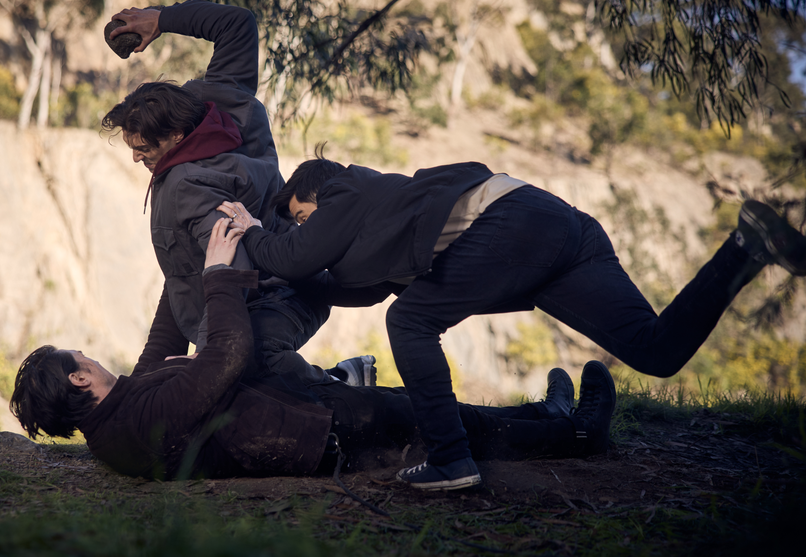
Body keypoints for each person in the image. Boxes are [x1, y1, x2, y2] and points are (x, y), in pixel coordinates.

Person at [219, 153, 806, 491]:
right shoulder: (387, 219)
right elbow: (349, 287)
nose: (303, 229)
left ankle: (451, 459)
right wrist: (276, 274)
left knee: (411, 323)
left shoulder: (347, 189)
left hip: (509, 226)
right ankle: (744, 248)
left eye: (301, 217)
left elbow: (293, 256)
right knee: (655, 352)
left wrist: (250, 230)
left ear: (316, 193)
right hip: (559, 229)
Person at [10, 218, 617, 486]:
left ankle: (546, 415)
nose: (89, 356)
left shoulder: (119, 421)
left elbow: (159, 350)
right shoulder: (137, 424)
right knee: (441, 424)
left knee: (430, 410)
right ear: (80, 380)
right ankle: (579, 435)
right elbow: (225, 356)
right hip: (319, 435)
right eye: (80, 359)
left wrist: (185, 275)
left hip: (302, 417)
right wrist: (220, 276)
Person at [103, 1, 370, 385]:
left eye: (143, 149)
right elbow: (238, 23)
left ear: (176, 138)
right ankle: (342, 380)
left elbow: (231, 271)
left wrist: (210, 357)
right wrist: (159, 19)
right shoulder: (223, 101)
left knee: (244, 368)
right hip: (299, 283)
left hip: (276, 298)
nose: (135, 158)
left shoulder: (187, 189)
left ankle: (347, 391)